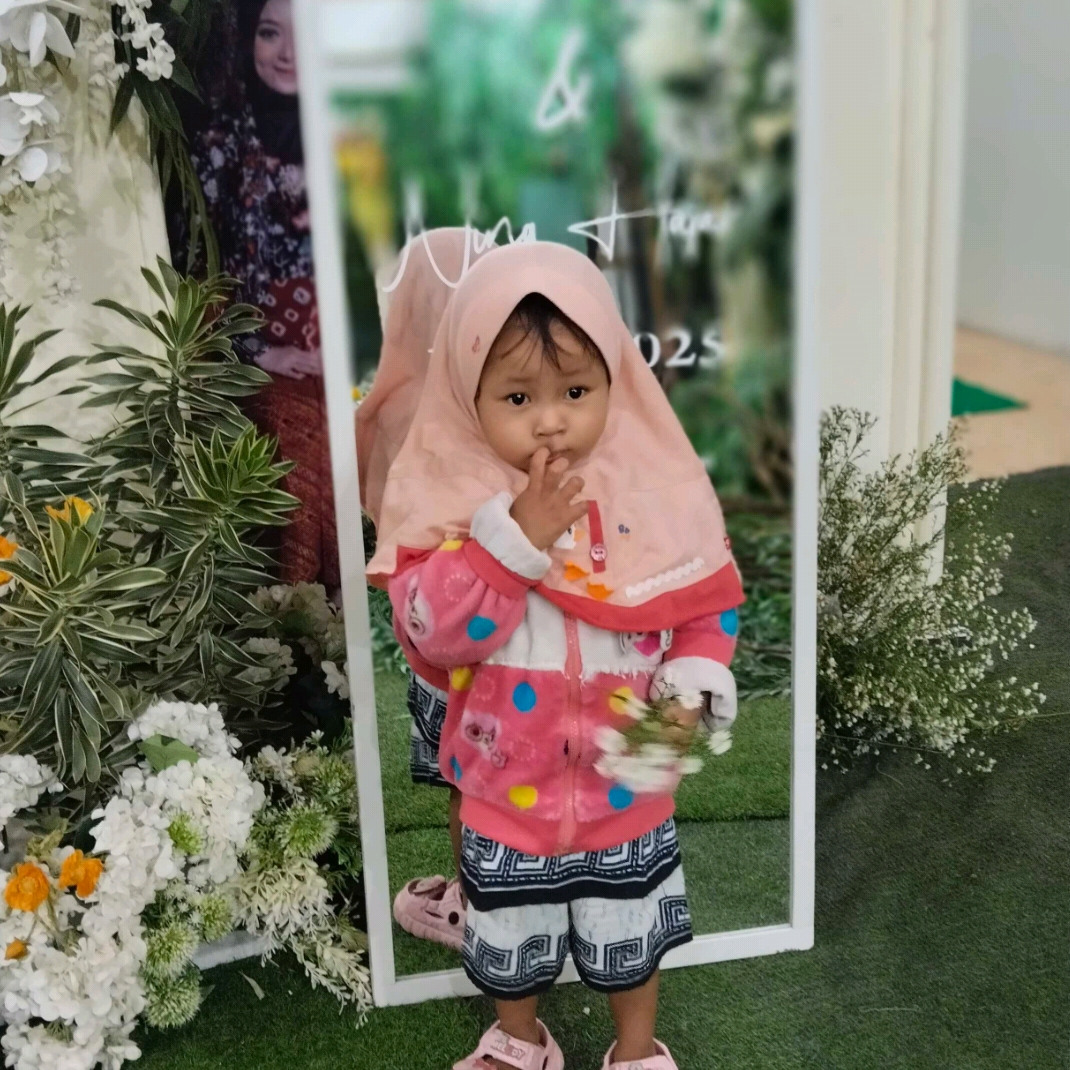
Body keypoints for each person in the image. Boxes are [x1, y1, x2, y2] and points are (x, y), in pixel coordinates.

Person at [367, 241, 743, 1070]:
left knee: (630, 934)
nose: (550, 419)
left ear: (615, 381)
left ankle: (636, 1048)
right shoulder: (451, 507)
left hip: (625, 792)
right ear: (469, 397)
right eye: (517, 396)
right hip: (504, 790)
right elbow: (432, 632)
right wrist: (510, 544)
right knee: (511, 937)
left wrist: (684, 697)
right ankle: (520, 1038)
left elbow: (705, 605)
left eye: (576, 391)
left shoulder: (654, 491)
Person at [358, 227, 495, 949]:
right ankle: (539, 901)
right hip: (522, 636)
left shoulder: (400, 404)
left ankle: (471, 904)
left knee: (466, 780)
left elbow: (379, 510)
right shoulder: (510, 399)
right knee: (523, 774)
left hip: (440, 637)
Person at [184, 0, 338, 588]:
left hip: (340, 346)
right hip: (255, 349)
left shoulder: (348, 137)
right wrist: (260, 351)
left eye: (305, 35)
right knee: (296, 434)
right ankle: (303, 611)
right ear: (246, 38)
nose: (289, 54)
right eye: (271, 33)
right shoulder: (217, 143)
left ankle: (367, 607)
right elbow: (196, 269)